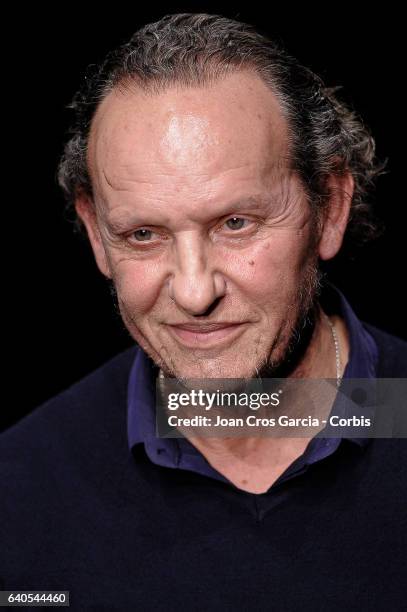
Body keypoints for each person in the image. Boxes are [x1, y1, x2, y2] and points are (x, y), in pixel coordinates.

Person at [1, 12, 406, 611]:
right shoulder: (20, 487)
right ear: (94, 234)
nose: (194, 293)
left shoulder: (397, 413)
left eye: (236, 224)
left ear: (331, 207)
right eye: (143, 234)